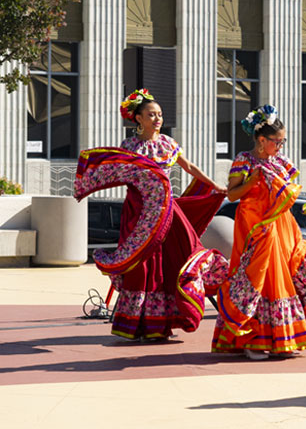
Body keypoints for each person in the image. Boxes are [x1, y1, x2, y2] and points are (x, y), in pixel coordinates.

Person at [74, 89, 227, 341]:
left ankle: (167, 319)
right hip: (139, 212)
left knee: (178, 255)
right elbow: (115, 172)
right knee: (142, 265)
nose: (157, 119)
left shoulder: (167, 143)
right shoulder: (129, 146)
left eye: (159, 115)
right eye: (151, 115)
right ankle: (140, 324)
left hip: (166, 209)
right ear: (138, 118)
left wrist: (214, 185)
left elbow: (189, 166)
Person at [211, 105, 306, 359]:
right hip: (254, 224)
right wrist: (252, 180)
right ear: (262, 140)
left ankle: (284, 338)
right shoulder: (244, 160)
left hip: (282, 223)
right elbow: (232, 194)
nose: (280, 146)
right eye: (277, 141)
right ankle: (252, 340)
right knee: (258, 276)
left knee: (287, 274)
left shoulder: (282, 162)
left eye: (283, 141)